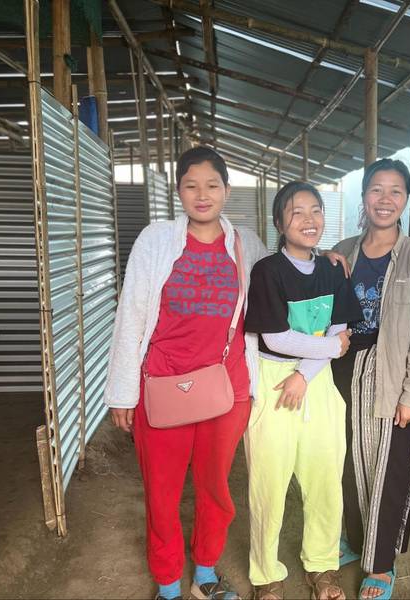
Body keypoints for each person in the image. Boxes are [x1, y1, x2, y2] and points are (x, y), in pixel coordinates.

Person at [103, 146, 269, 600]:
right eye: (192, 186)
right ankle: (168, 586)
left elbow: (283, 279)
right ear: (178, 191)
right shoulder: (155, 240)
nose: (202, 194)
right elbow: (131, 314)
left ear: (227, 190)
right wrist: (122, 393)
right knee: (162, 494)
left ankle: (206, 576)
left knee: (215, 490)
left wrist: (326, 260)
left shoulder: (247, 244)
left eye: (212, 185)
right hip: (161, 386)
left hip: (227, 390)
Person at [329, 159, 410, 600]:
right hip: (343, 369)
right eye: (376, 189)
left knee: (389, 466)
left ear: (406, 199)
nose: (385, 199)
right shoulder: (343, 250)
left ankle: (380, 563)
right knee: (348, 460)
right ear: (364, 196)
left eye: (396, 191)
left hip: (391, 372)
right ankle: (357, 538)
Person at [243, 181, 362, 600]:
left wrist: (305, 375)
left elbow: (340, 326)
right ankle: (266, 574)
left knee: (325, 480)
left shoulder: (332, 270)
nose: (309, 220)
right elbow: (275, 336)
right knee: (268, 483)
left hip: (317, 382)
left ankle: (322, 566)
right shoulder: (267, 271)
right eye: (297, 212)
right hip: (273, 381)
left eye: (316, 210)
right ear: (279, 223)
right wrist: (329, 348)